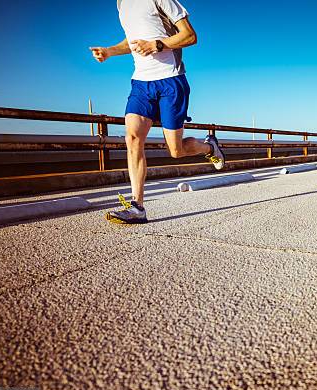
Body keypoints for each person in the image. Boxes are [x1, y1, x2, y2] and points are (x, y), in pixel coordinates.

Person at [90, 0, 225, 224]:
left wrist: (157, 45)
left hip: (171, 81)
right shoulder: (121, 4)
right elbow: (132, 41)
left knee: (176, 150)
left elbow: (190, 36)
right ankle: (137, 207)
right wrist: (110, 51)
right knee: (132, 138)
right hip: (141, 83)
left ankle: (210, 147)